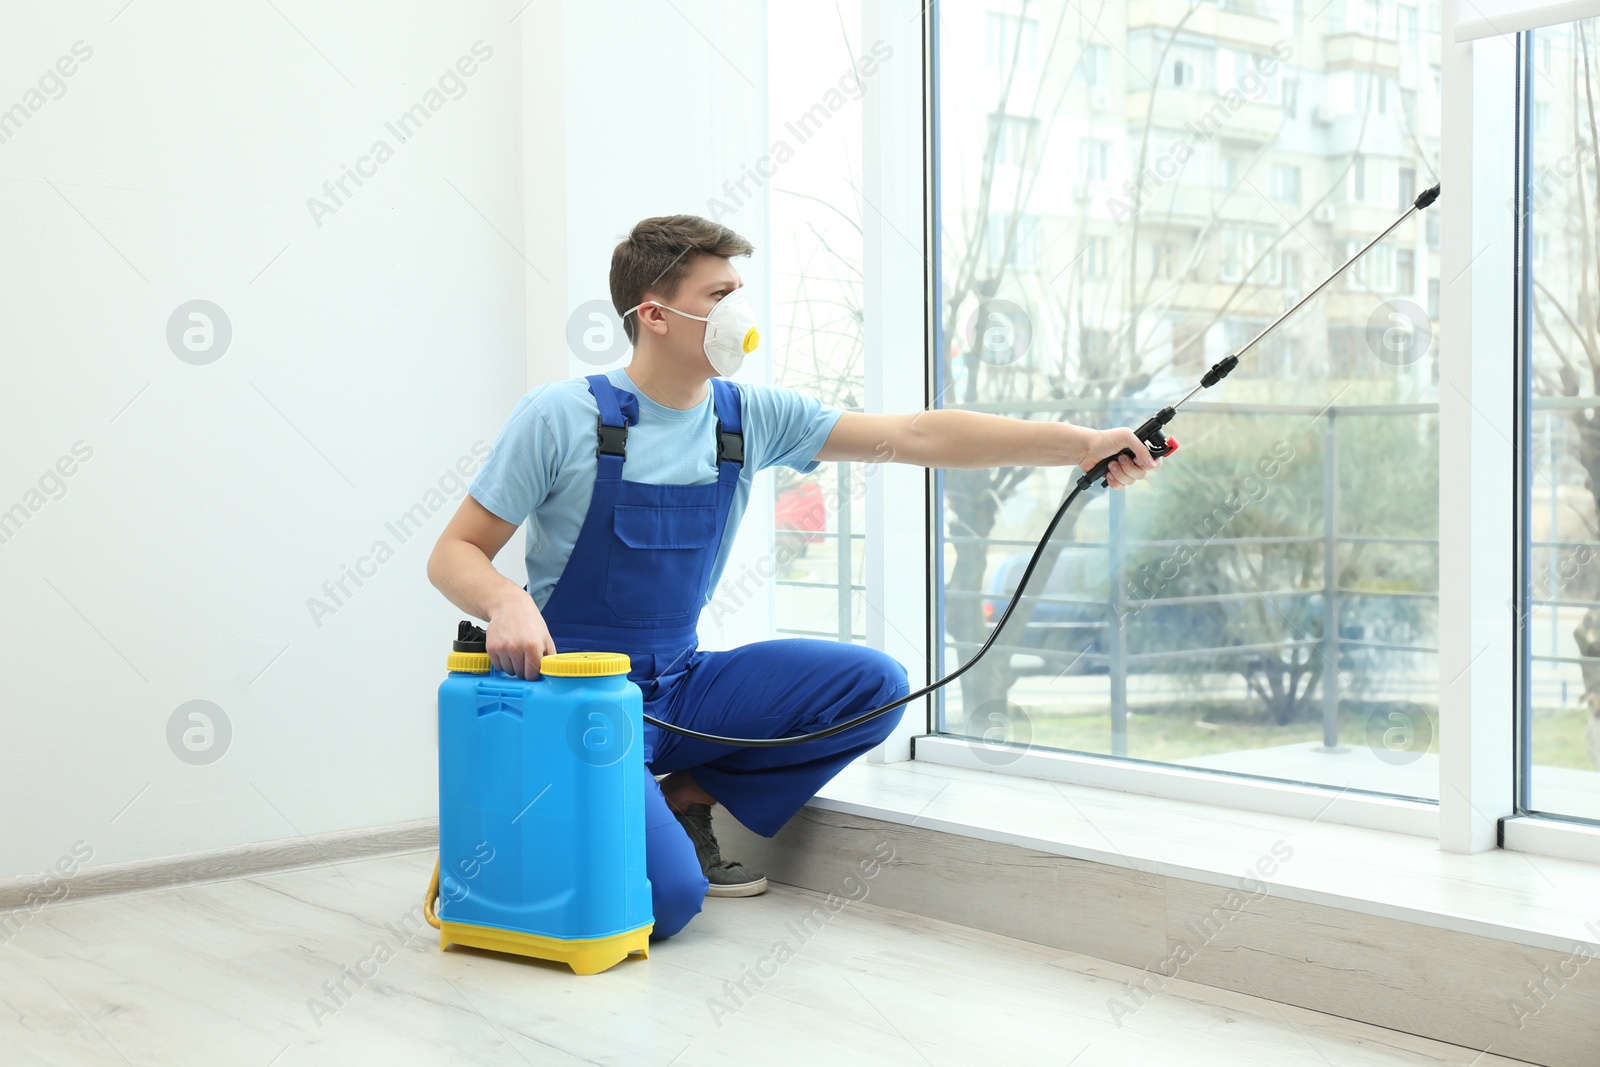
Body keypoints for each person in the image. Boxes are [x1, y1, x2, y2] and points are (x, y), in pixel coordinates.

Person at [426, 214, 1160, 940]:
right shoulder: (562, 417)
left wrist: (1081, 444)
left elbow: (915, 435)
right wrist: (507, 599)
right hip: (579, 692)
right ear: (655, 315)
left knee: (873, 684)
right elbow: (454, 550)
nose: (739, 311)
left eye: (738, 288)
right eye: (719, 294)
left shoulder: (747, 418)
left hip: (679, 686)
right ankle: (595, 810)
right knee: (672, 902)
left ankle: (682, 797)